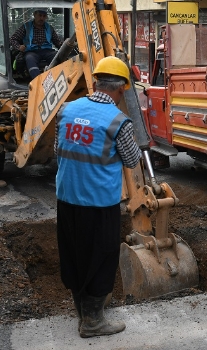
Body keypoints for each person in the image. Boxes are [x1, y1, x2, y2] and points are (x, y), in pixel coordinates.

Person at [55, 56, 141, 338]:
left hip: (67, 200)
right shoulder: (119, 122)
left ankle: (83, 311)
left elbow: (59, 149)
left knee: (74, 255)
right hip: (98, 205)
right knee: (101, 259)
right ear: (121, 89)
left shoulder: (67, 111)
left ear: (94, 83)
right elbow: (130, 160)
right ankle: (92, 322)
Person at [10, 8, 63, 79]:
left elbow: (57, 42)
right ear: (34, 15)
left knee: (58, 56)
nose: (42, 18)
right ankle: (38, 80)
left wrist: (63, 45)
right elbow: (13, 39)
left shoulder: (49, 28)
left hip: (47, 51)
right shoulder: (26, 27)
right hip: (31, 51)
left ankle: (57, 78)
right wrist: (19, 47)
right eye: (40, 15)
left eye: (44, 16)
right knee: (29, 58)